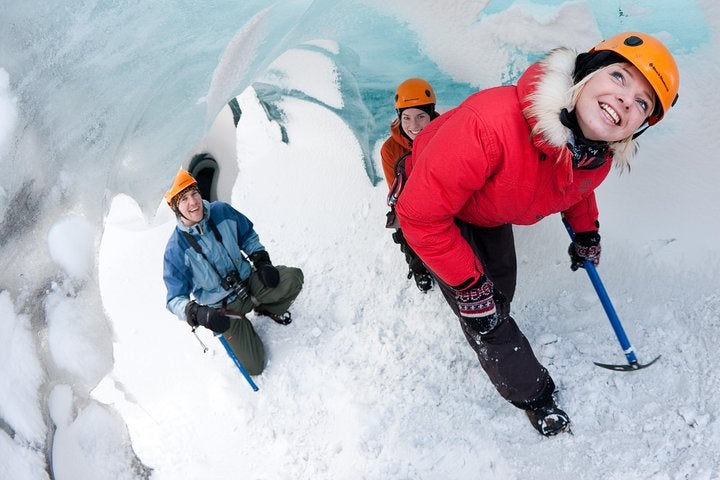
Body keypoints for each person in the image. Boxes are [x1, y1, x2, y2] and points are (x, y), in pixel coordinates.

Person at [395, 32, 679, 436]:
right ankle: (534, 396)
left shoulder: (593, 155)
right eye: (619, 77)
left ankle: (479, 301)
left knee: (498, 293)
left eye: (642, 103)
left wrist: (586, 234)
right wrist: (470, 286)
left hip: (487, 209)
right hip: (434, 209)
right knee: (486, 314)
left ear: (638, 127)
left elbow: (574, 187)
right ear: (586, 72)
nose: (625, 100)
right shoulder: (489, 125)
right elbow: (421, 215)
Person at [162, 169, 304, 375]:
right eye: (184, 198)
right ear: (174, 207)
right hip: (224, 311)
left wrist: (261, 261)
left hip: (249, 284)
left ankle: (265, 308)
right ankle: (242, 329)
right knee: (255, 366)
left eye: (194, 193)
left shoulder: (221, 211)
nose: (193, 202)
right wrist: (197, 312)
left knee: (293, 278)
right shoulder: (176, 250)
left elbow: (247, 236)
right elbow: (174, 298)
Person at [381, 78, 440, 292]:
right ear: (399, 117)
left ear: (431, 114)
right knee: (404, 222)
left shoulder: (445, 135)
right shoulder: (390, 149)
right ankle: (417, 265)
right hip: (412, 205)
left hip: (444, 200)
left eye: (420, 117)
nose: (413, 126)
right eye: (406, 117)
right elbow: (397, 194)